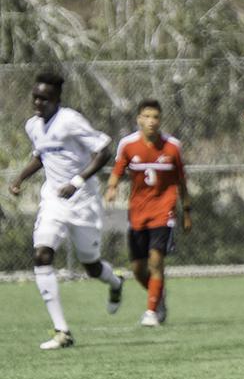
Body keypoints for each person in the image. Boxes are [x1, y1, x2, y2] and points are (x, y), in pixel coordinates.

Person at [9, 72, 124, 350]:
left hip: (83, 201)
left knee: (91, 265)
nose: (38, 102)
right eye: (35, 97)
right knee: (42, 253)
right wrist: (21, 178)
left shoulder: (70, 121)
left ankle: (115, 283)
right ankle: (62, 331)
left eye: (44, 98)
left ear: (57, 99)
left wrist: (77, 181)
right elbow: (41, 155)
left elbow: (104, 149)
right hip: (53, 201)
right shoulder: (33, 125)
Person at [105, 99, 191, 327]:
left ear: (160, 120)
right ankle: (158, 295)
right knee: (137, 269)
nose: (151, 121)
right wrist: (111, 188)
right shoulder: (128, 145)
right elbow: (117, 170)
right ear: (138, 119)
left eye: (156, 117)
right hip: (137, 214)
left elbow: (182, 182)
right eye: (147, 116)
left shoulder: (172, 146)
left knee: (156, 262)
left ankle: (151, 311)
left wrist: (187, 211)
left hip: (164, 212)